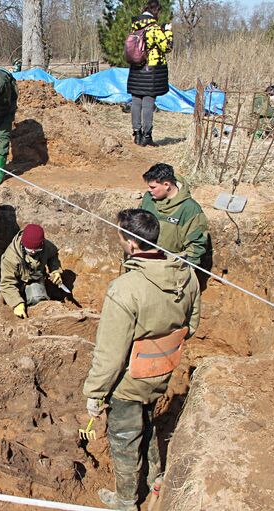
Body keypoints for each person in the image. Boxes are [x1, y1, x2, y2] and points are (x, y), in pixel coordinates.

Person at [83, 209, 201, 511]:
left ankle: (126, 501)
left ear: (132, 245)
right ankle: (154, 480)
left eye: (121, 236)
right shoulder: (185, 274)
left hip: (130, 380)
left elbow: (110, 355)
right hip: (162, 370)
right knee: (148, 422)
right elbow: (193, 324)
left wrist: (95, 393)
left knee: (124, 438)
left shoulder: (126, 289)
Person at [139, 163, 210, 270]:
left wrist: (184, 270)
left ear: (167, 185)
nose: (149, 190)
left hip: (171, 267)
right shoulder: (148, 199)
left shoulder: (190, 209)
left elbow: (196, 245)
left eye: (153, 187)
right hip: (144, 261)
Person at [127, 0, 173, 147]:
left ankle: (137, 134)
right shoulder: (153, 28)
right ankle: (147, 136)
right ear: (156, 11)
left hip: (136, 68)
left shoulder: (135, 27)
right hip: (150, 69)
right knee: (148, 102)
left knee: (136, 100)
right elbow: (166, 47)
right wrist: (168, 32)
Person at [0, 224, 63, 319]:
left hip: (34, 279)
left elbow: (53, 255)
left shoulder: (45, 246)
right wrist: (17, 303)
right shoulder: (11, 257)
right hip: (16, 285)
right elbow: (7, 284)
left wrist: (55, 270)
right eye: (29, 249)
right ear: (23, 244)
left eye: (36, 249)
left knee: (37, 299)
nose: (33, 252)